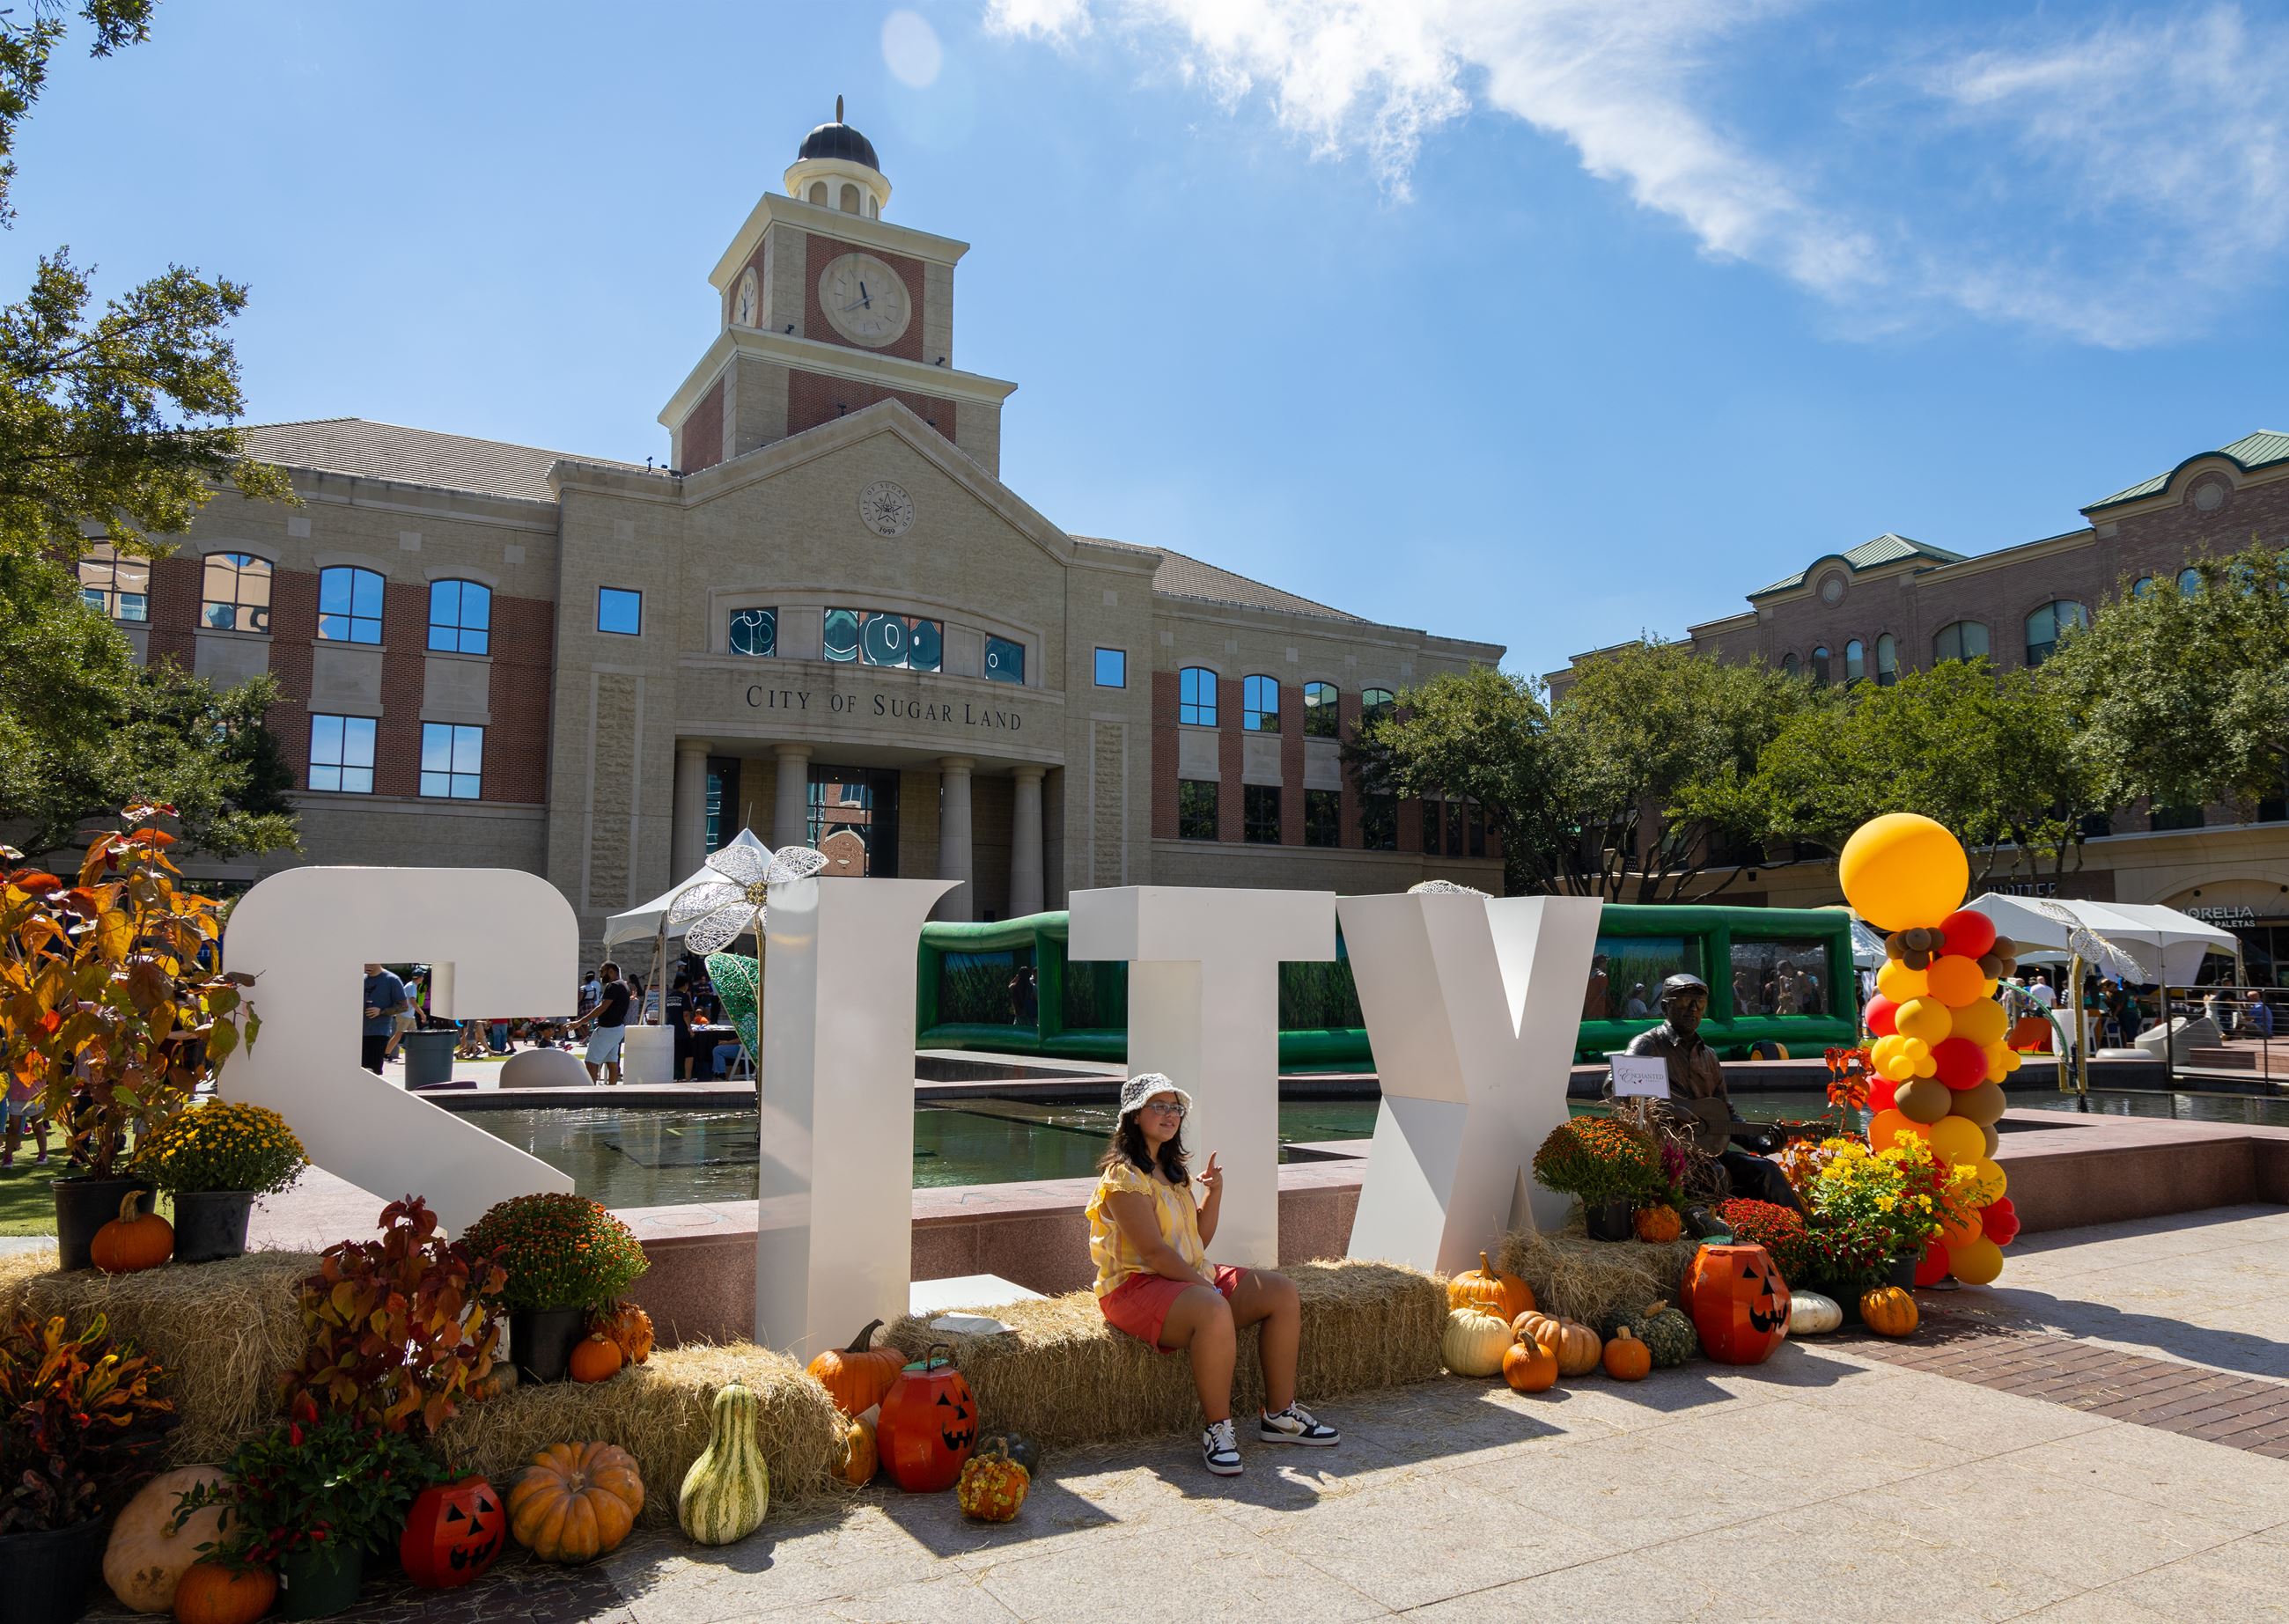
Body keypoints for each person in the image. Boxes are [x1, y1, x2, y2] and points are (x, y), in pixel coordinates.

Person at [1086, 1073, 1339, 1475]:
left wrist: (1213, 1195)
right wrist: (1206, 1287)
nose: (1171, 1115)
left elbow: (1198, 1239)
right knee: (1212, 1308)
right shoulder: (1123, 1177)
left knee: (1281, 1291)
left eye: (1175, 1108)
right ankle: (1217, 1430)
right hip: (1135, 1286)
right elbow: (1152, 1252)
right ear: (1134, 1117)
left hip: (1185, 1274)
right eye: (1160, 1106)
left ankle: (1279, 1414)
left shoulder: (1172, 1171)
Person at [1620, 974, 1804, 1213]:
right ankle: (1718, 1237)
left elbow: (1726, 1115)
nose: (1694, 1009)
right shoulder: (1648, 1045)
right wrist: (1666, 1110)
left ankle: (1804, 1236)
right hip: (1664, 1155)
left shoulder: (1709, 1057)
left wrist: (1760, 1141)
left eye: (1701, 1002)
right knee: (1714, 1174)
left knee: (1766, 1171)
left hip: (1706, 1152)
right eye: (1685, 1000)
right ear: (1666, 1006)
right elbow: (1616, 1088)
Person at [571, 961, 631, 1084]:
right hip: (618, 1028)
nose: (600, 975)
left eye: (602, 971)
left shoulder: (613, 986)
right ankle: (612, 1092)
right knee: (612, 1062)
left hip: (607, 1029)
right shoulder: (624, 985)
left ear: (611, 971)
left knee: (591, 1061)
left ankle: (592, 1091)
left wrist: (580, 1022)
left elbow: (602, 1007)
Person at [361, 962, 410, 1075]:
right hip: (358, 1033)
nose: (369, 965)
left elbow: (403, 1007)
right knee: (359, 1071)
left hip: (378, 1032)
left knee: (373, 1070)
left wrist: (381, 1011)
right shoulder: (360, 978)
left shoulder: (392, 979)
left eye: (372, 962)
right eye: (366, 962)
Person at [4, 1070, 49, 1168]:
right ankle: (7, 1158)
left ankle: (43, 1155)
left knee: (38, 1127)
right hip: (16, 1096)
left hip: (35, 1095)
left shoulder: (39, 1056)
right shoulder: (15, 1056)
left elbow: (46, 1071)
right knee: (13, 1128)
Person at [665, 973, 695, 1081]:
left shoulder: (670, 996)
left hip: (671, 1029)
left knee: (675, 1054)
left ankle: (676, 1077)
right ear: (686, 984)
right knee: (689, 1054)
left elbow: (667, 1013)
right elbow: (686, 1014)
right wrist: (689, 1029)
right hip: (682, 1030)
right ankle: (687, 1078)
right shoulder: (684, 996)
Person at [1583, 954, 1610, 1021]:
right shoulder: (1602, 976)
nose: (1606, 965)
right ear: (1601, 963)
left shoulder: (1587, 975)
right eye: (1605, 962)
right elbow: (1605, 995)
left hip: (1588, 1009)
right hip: (1598, 1010)